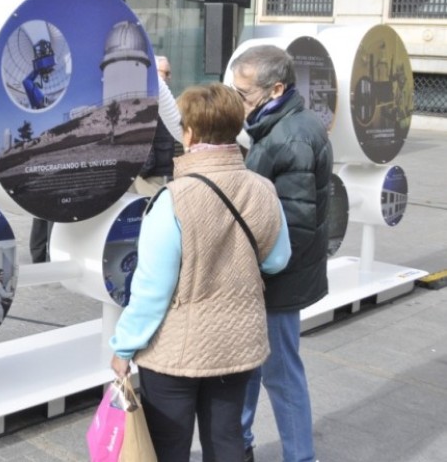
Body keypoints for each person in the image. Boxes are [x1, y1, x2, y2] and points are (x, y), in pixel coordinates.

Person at [110, 82, 292, 462]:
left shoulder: (173, 199)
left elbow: (152, 288)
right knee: (226, 440)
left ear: (189, 134)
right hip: (238, 341)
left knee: (169, 446)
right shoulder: (263, 189)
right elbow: (277, 260)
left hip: (178, 351)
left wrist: (123, 347)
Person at [230, 45, 333, 462]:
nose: (238, 103)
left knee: (280, 373)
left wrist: (254, 268)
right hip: (273, 274)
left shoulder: (290, 135)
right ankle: (239, 445)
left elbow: (295, 224)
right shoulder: (279, 123)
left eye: (243, 94)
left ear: (275, 89)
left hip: (278, 278)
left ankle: (300, 456)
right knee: (252, 366)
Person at [133, 55, 177, 196]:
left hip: (151, 179)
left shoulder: (151, 103)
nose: (169, 77)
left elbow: (147, 155)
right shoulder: (155, 103)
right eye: (166, 72)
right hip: (156, 179)